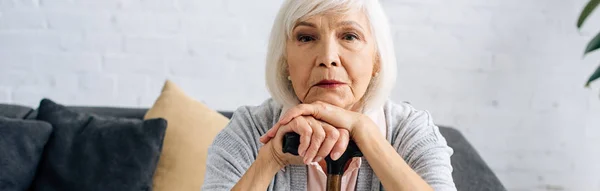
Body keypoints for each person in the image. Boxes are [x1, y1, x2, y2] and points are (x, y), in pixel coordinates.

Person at [202, 0, 456, 190]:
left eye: (349, 36)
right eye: (306, 37)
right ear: (285, 62)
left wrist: (366, 133)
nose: (327, 58)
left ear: (376, 60)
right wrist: (272, 159)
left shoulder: (411, 130)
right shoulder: (249, 130)